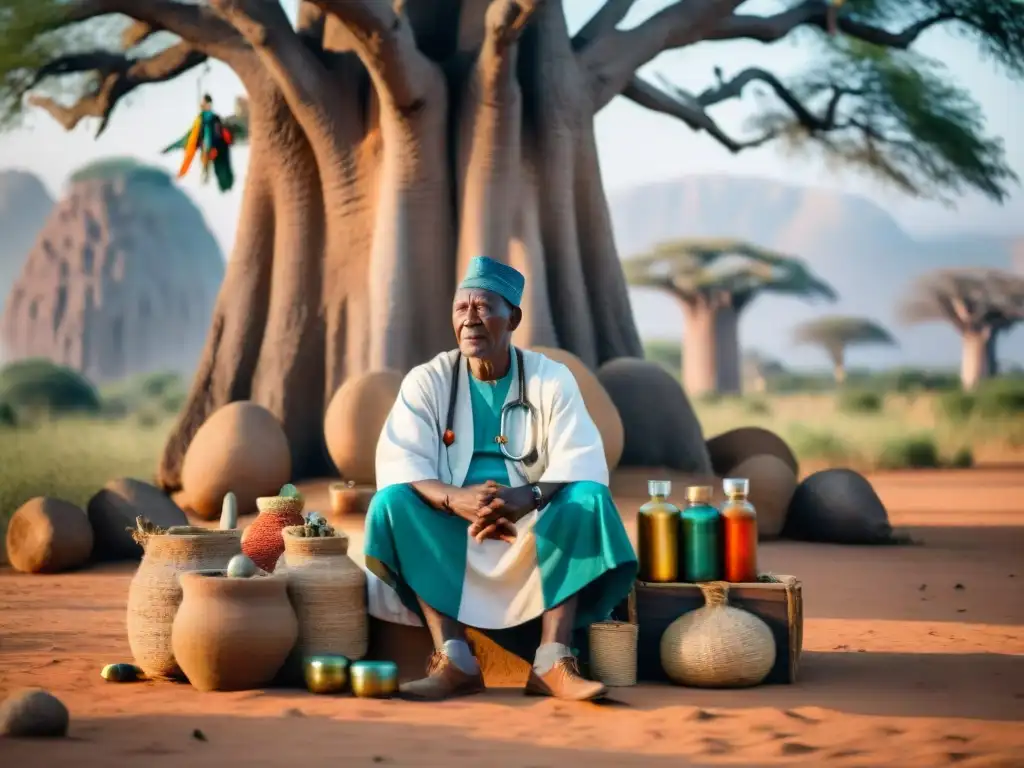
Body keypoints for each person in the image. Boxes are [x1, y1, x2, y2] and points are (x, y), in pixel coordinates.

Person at [365, 255, 638, 702]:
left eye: (484, 307)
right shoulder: (428, 380)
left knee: (589, 497)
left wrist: (525, 497)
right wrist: (457, 500)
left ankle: (552, 660)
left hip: (532, 520)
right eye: (461, 308)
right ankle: (454, 658)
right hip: (453, 520)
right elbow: (402, 462)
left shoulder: (551, 378)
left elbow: (580, 459)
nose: (470, 319)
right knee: (391, 503)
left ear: (513, 317)